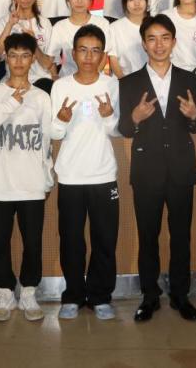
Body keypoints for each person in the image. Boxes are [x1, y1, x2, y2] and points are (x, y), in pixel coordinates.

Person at [117, 14, 196, 322]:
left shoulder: (189, 79)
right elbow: (124, 129)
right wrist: (135, 118)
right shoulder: (129, 83)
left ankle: (181, 295)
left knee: (181, 237)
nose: (159, 44)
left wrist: (194, 116)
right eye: (152, 39)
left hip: (181, 169)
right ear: (144, 44)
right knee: (148, 237)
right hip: (146, 171)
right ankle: (149, 296)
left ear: (174, 42)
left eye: (165, 38)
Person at [0, 33, 54, 322]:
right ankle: (5, 293)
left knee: (33, 243)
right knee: (0, 243)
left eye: (25, 55)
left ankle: (29, 292)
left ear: (32, 60)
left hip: (31, 184)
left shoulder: (41, 97)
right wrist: (9, 104)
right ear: (5, 57)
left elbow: (45, 143)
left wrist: (47, 179)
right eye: (13, 55)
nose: (19, 61)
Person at [50, 25, 121, 321]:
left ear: (104, 55)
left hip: (103, 175)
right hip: (70, 176)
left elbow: (117, 131)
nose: (89, 57)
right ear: (73, 53)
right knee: (71, 241)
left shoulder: (112, 85)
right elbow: (54, 133)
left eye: (95, 51)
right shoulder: (61, 86)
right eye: (83, 50)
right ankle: (73, 296)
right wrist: (61, 120)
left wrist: (108, 116)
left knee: (105, 240)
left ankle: (101, 296)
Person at [0, 0, 56, 93]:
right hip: (13, 82)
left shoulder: (45, 23)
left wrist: (33, 44)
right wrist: (10, 25)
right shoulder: (3, 22)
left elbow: (48, 64)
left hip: (40, 82)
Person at [46, 0, 112, 78]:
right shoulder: (59, 27)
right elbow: (52, 58)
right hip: (67, 79)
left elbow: (104, 56)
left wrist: (91, 78)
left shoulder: (102, 23)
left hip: (95, 79)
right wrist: (55, 80)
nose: (79, 1)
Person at [106, 0, 150, 79]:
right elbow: (113, 58)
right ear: (125, 4)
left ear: (146, 1)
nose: (137, 3)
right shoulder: (114, 28)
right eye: (131, 0)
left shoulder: (156, 25)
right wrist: (124, 81)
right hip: (125, 79)